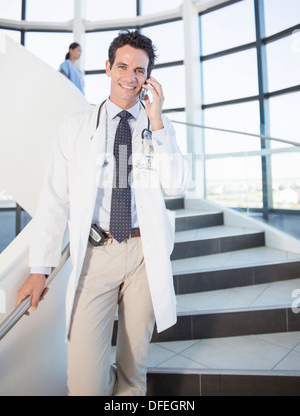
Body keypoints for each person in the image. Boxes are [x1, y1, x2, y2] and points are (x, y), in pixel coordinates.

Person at [16, 30, 190, 396]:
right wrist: (38, 270)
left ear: (148, 78)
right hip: (97, 257)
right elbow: (53, 200)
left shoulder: (159, 127)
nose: (130, 76)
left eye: (140, 71)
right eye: (123, 66)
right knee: (85, 384)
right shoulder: (76, 128)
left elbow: (175, 184)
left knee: (134, 371)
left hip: (144, 255)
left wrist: (157, 122)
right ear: (108, 68)